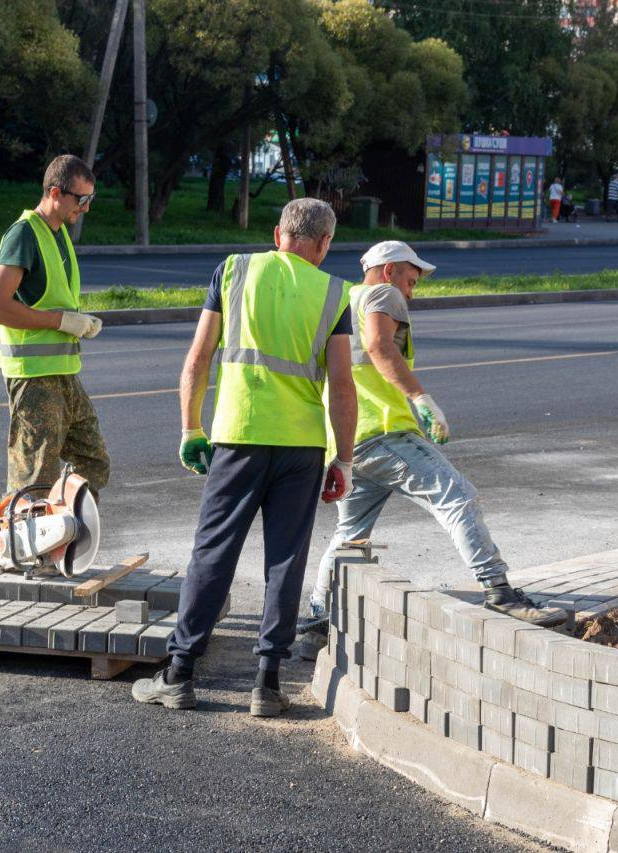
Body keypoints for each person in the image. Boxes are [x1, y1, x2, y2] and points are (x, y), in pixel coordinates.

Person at [131, 198, 357, 717]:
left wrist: (191, 427)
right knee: (286, 560)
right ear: (324, 245)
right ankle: (267, 684)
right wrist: (342, 460)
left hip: (238, 437)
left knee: (213, 553)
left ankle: (181, 673)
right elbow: (342, 388)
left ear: (278, 233)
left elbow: (198, 357)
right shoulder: (334, 293)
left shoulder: (234, 270)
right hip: (301, 448)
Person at [301, 239, 572, 655]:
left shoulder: (338, 301)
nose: (411, 292)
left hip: (346, 443)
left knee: (350, 535)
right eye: (411, 280)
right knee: (456, 495)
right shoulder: (381, 292)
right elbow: (377, 344)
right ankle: (499, 592)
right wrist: (422, 399)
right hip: (383, 432)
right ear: (389, 270)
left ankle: (315, 624)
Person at [0, 154, 109, 499]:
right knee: (35, 478)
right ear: (56, 192)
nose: (85, 208)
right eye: (81, 199)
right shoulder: (24, 234)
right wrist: (62, 321)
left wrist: (78, 323)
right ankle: (24, 546)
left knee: (92, 461)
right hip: (34, 377)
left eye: (90, 200)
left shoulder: (59, 234)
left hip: (64, 372)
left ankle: (63, 538)